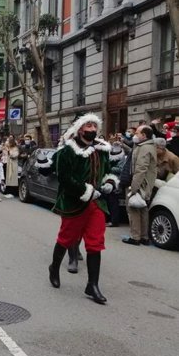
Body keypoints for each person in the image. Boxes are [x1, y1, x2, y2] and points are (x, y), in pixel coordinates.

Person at [47, 114, 118, 304]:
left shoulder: (101, 149)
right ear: (80, 129)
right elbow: (65, 179)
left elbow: (108, 170)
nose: (92, 129)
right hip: (74, 203)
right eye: (88, 125)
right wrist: (86, 190)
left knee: (95, 243)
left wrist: (109, 182)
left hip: (96, 205)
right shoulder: (67, 152)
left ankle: (92, 285)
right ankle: (54, 267)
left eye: (95, 125)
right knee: (66, 238)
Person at [123, 126, 157, 246]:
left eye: (137, 133)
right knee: (142, 209)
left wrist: (134, 187)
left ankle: (135, 237)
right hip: (145, 184)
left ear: (144, 135)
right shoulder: (146, 146)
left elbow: (140, 169)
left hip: (140, 184)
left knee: (133, 209)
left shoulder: (144, 148)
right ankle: (144, 237)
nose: (134, 135)